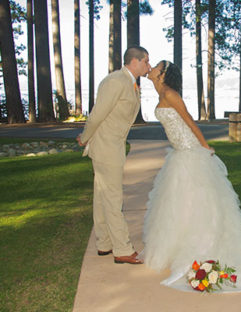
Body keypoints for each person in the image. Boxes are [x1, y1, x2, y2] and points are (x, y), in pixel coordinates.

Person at [142, 60, 241, 292]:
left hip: (190, 152)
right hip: (179, 153)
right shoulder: (160, 93)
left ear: (162, 74)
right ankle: (177, 247)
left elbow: (190, 122)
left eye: (156, 66)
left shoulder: (170, 94)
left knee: (198, 202)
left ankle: (202, 245)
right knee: (178, 204)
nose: (151, 67)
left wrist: (205, 147)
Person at [77, 46, 151, 265]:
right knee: (113, 198)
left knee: (102, 196)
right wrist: (85, 136)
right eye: (146, 61)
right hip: (106, 147)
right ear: (135, 61)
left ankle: (104, 243)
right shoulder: (115, 81)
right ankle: (122, 249)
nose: (149, 65)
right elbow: (97, 114)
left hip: (113, 145)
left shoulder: (130, 83)